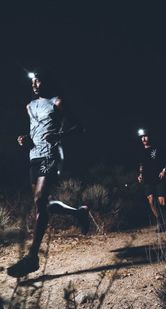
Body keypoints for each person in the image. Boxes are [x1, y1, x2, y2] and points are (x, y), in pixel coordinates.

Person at [7, 70, 89, 277]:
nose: (34, 84)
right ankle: (78, 212)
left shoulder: (57, 102)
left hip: (51, 155)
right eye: (32, 81)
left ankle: (32, 257)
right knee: (43, 204)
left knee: (40, 199)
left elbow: (80, 127)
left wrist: (58, 134)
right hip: (34, 156)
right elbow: (35, 129)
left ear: (47, 81)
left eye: (38, 80)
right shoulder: (29, 106)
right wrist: (25, 138)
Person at [137, 128, 166, 232]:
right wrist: (140, 175)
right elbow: (141, 165)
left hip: (158, 179)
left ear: (149, 137)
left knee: (162, 202)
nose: (144, 139)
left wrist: (164, 170)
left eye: (145, 136)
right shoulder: (141, 152)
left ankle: (164, 220)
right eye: (142, 137)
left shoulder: (157, 148)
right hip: (147, 180)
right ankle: (160, 223)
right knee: (151, 201)